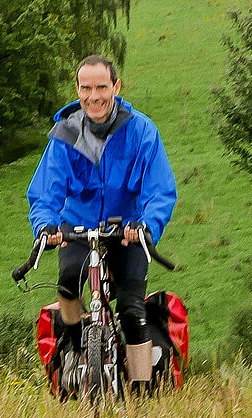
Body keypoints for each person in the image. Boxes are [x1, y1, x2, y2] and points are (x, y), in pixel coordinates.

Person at [27, 55, 177, 389]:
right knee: (67, 282)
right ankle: (76, 345)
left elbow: (160, 189)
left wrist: (146, 225)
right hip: (78, 229)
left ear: (116, 87)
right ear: (77, 90)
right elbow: (45, 191)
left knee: (131, 309)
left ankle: (141, 390)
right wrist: (46, 226)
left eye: (101, 87)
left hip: (127, 231)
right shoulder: (65, 134)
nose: (94, 96)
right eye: (86, 88)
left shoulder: (141, 131)